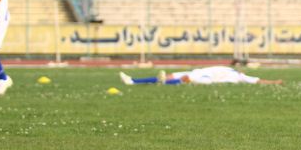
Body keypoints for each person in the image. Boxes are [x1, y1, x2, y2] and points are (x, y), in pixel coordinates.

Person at [119, 66, 283, 86]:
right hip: (197, 71)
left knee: (183, 79)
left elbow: (258, 80)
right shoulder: (230, 69)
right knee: (168, 76)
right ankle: (132, 81)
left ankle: (166, 83)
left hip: (206, 79)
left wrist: (274, 82)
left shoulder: (240, 77)